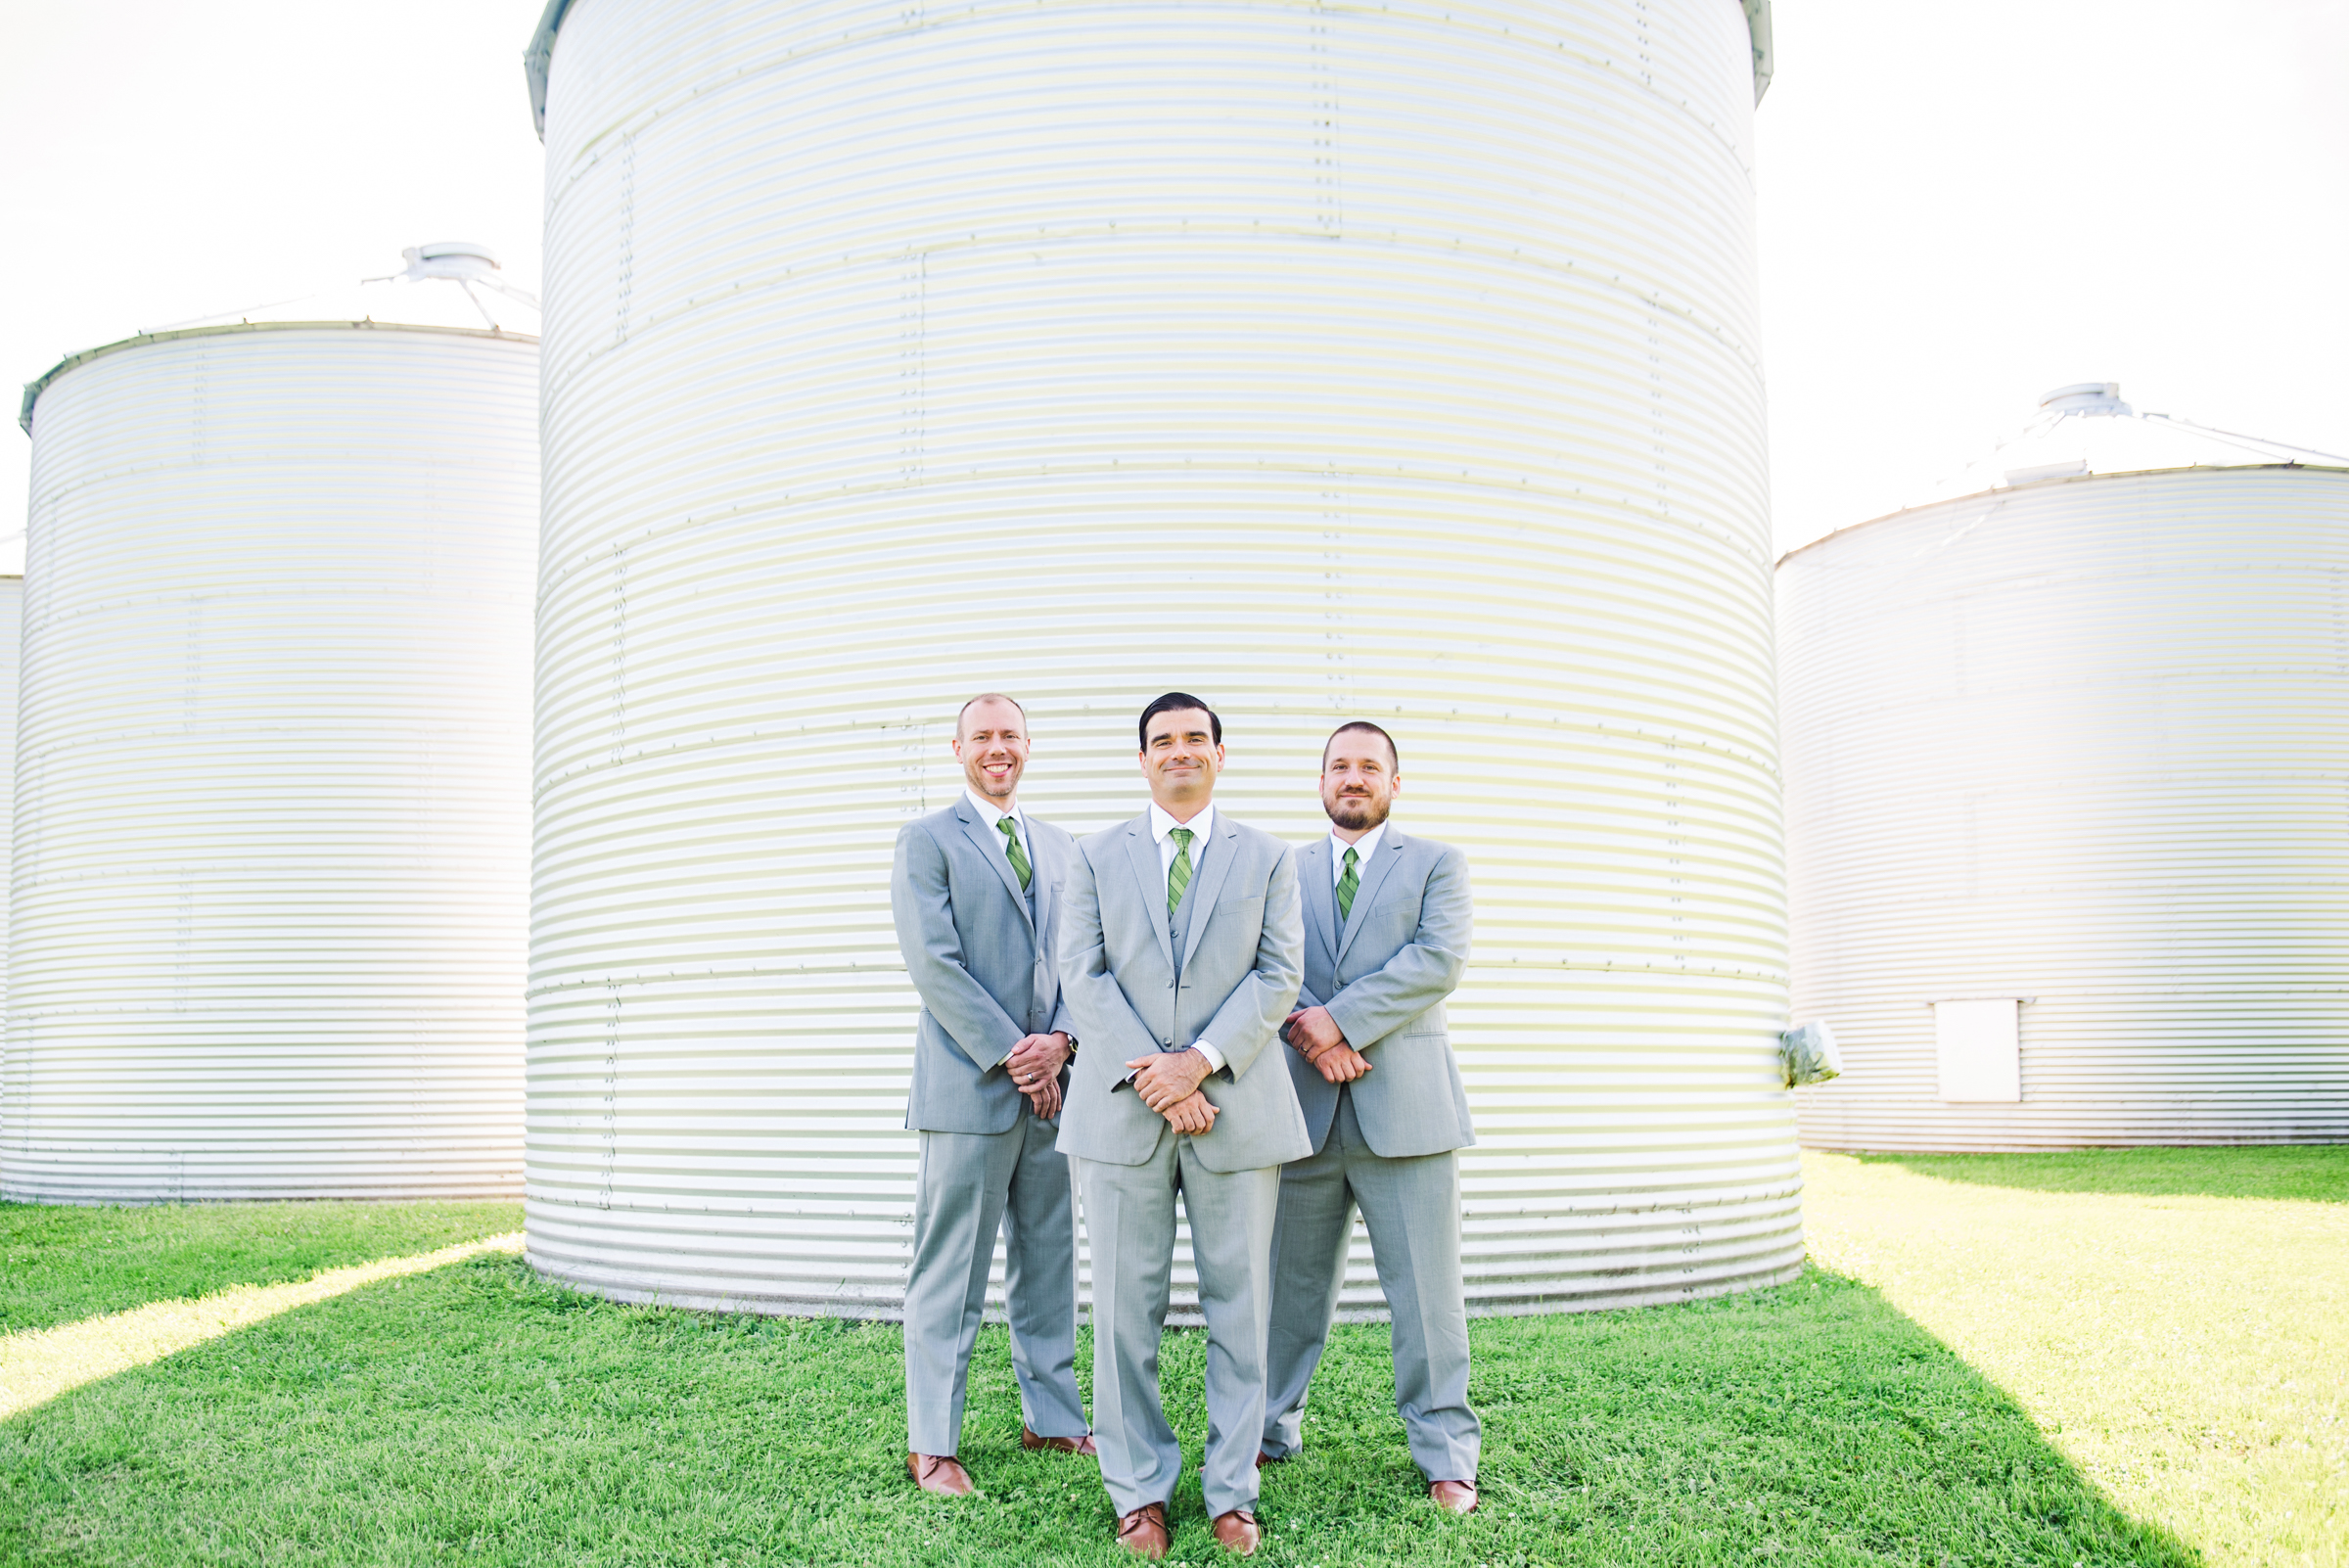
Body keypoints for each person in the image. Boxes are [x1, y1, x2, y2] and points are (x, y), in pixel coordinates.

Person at [1054, 693, 1309, 1560]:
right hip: (1120, 1113)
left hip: (1236, 1109)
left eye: (1195, 739)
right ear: (1142, 760)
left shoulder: (1269, 857)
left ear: (1220, 754)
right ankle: (1138, 1492)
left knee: (1243, 1310)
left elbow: (1279, 976)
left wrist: (1197, 1062)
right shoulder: (1092, 856)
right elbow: (1080, 974)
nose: (1179, 752)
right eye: (1162, 742)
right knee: (1126, 1312)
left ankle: (1233, 1491)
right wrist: (1157, 1077)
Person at [1259, 720, 1482, 1514]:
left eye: (1369, 767)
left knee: (1427, 1295)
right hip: (1301, 1111)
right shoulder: (1282, 867)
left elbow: (1437, 960)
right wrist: (1315, 1034)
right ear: (1320, 782)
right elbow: (1265, 964)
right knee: (1286, 1291)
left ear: (1395, 780)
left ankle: (1447, 1452)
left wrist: (1341, 1022)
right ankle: (1267, 1429)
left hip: (1408, 1112)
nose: (1354, 778)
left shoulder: (1437, 865)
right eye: (1339, 766)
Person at [890, 693, 1095, 1498]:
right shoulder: (927, 841)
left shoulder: (1062, 846)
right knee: (952, 1268)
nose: (997, 748)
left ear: (1028, 746)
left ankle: (1051, 1416)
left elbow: (1084, 957)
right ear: (958, 748)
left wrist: (1065, 1042)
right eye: (983, 737)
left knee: (1049, 1260)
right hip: (972, 1089)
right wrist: (1018, 1055)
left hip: (1055, 1092)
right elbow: (934, 961)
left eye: (1009, 735)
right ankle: (932, 1442)